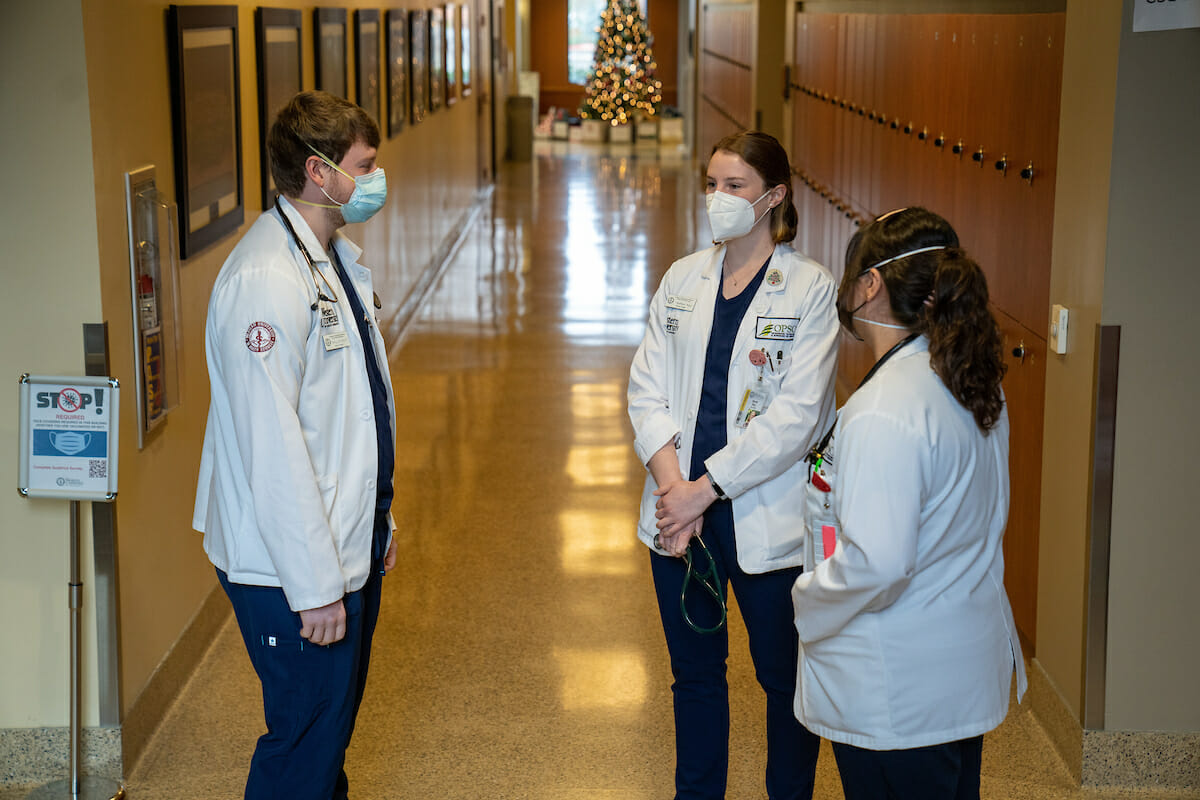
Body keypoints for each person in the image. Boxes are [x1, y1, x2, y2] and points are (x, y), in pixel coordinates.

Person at [193, 90, 396, 800]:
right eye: (364, 166)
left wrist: (377, 520)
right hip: (289, 571)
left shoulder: (328, 256)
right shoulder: (266, 280)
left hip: (340, 541)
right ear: (319, 171)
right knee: (304, 742)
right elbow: (272, 447)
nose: (375, 179)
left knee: (324, 736)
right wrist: (313, 588)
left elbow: (351, 412)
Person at [627, 131, 839, 800]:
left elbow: (796, 419)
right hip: (681, 515)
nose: (717, 198)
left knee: (784, 681)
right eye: (711, 184)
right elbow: (645, 386)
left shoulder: (810, 289)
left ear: (773, 197)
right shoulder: (683, 276)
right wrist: (675, 490)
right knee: (694, 677)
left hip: (763, 519)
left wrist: (703, 490)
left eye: (734, 185)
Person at [791, 207, 1028, 800]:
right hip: (955, 673)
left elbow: (878, 562)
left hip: (896, 689)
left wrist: (807, 599)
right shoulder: (967, 378)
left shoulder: (885, 410)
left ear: (869, 286)